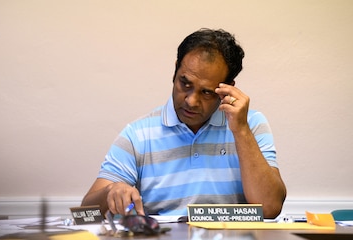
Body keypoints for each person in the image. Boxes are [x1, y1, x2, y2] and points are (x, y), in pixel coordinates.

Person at [81, 28, 287, 219]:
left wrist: (241, 130)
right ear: (175, 72)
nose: (191, 100)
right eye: (185, 84)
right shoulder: (138, 135)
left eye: (206, 92)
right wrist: (110, 191)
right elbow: (84, 216)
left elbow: (269, 208)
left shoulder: (250, 125)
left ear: (227, 89)